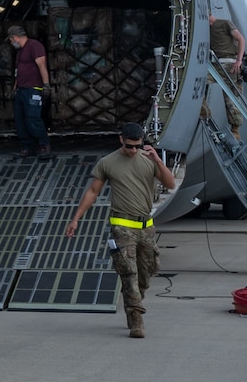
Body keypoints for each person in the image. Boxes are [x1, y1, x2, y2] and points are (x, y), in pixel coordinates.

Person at [64, 121, 177, 338]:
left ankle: (134, 301)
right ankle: (136, 320)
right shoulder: (108, 163)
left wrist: (158, 161)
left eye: (137, 146)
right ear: (120, 140)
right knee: (129, 274)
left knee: (148, 271)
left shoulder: (148, 160)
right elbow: (93, 192)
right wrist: (76, 219)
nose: (133, 150)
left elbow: (171, 184)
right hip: (122, 226)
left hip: (146, 226)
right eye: (129, 146)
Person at [7, 24, 50, 159]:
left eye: (10, 40)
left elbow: (42, 65)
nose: (10, 43)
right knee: (20, 120)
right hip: (21, 90)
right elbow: (18, 71)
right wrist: (15, 86)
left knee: (33, 118)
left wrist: (46, 84)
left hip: (33, 89)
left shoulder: (34, 46)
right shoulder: (20, 51)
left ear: (15, 37)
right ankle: (27, 147)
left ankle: (44, 145)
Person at [204, 12, 245, 141]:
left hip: (230, 64)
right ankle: (205, 115)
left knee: (231, 99)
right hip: (216, 65)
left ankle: (235, 130)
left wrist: (239, 60)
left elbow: (240, 39)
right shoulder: (206, 29)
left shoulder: (224, 23)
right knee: (198, 84)